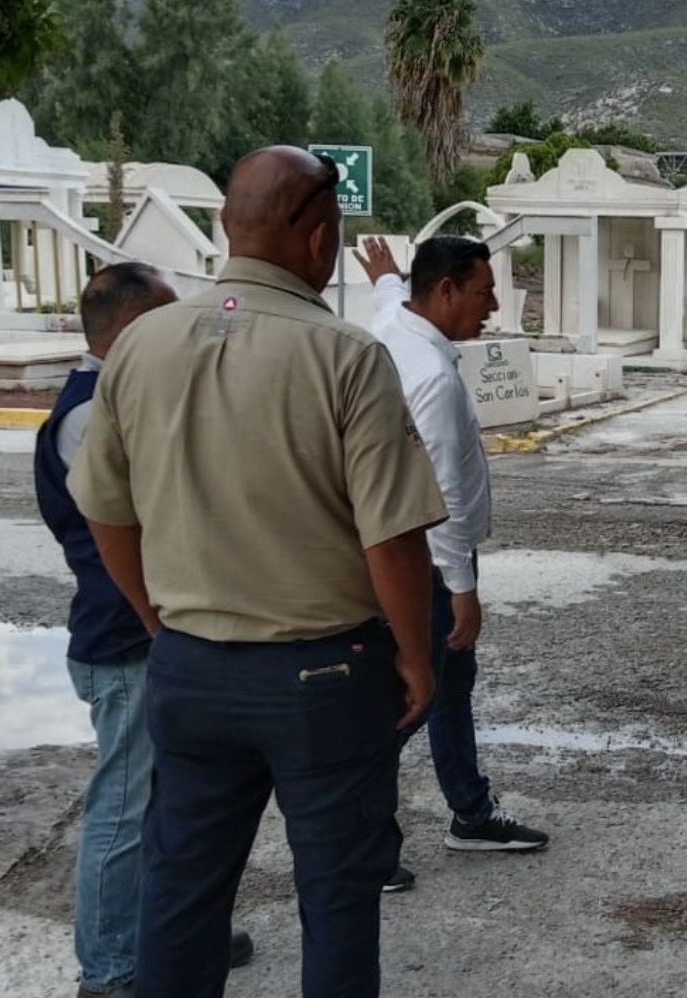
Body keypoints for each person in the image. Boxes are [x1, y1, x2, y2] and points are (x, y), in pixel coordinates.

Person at [68, 146, 448, 998]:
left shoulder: (141, 346)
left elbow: (104, 507)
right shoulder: (345, 355)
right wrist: (419, 660)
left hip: (190, 670)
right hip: (322, 676)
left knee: (181, 893)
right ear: (318, 240)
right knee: (337, 897)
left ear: (227, 227)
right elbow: (391, 538)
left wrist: (156, 620)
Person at [35, 263, 255, 998]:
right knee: (125, 811)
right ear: (131, 329)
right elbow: (130, 523)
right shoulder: (90, 412)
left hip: (156, 633)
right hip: (128, 637)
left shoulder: (121, 397)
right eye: (167, 319)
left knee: (175, 806)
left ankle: (176, 937)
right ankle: (110, 966)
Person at [355, 235, 548, 894]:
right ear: (444, 292)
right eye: (483, 290)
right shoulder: (432, 378)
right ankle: (363, 844)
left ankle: (469, 810)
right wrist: (461, 590)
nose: (493, 304)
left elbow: (389, 297)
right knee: (413, 697)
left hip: (414, 557)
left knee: (451, 691)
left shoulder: (396, 323)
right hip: (430, 567)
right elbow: (434, 499)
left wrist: (384, 275)